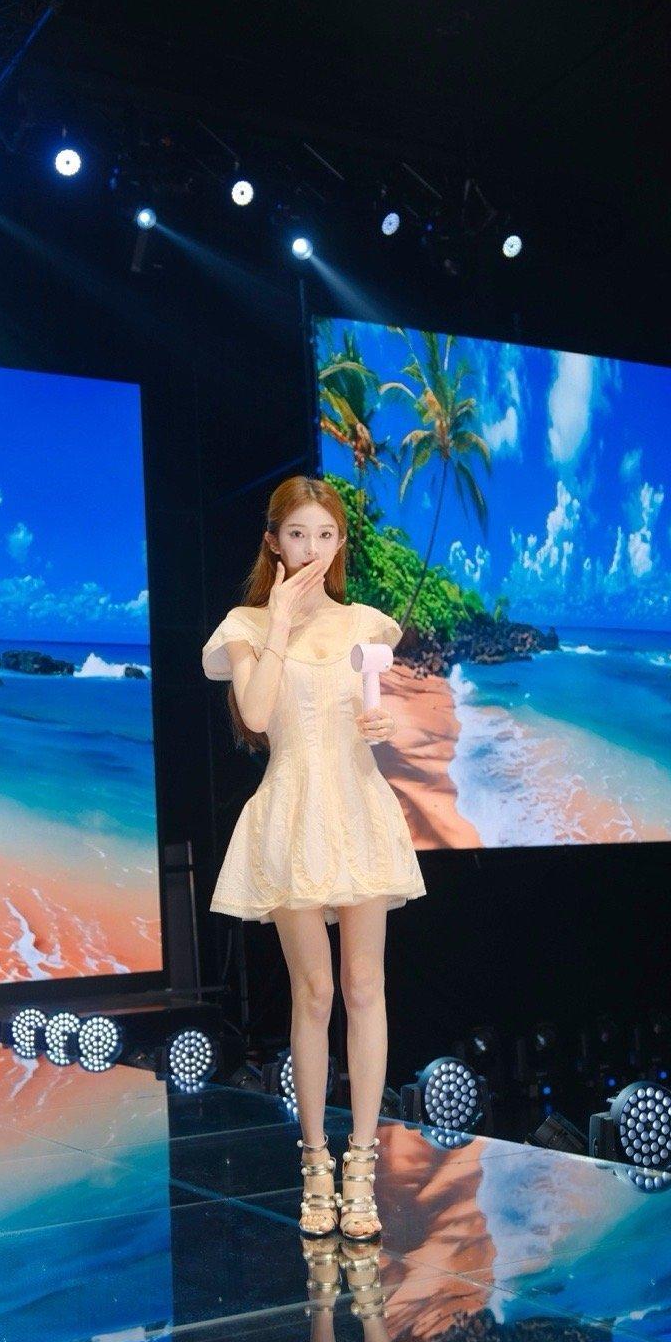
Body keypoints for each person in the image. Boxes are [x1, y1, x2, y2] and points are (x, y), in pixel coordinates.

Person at [201, 475, 426, 1242]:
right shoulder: (244, 626)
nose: (311, 548)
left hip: (358, 806)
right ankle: (316, 1162)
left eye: (325, 535)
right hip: (292, 809)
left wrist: (384, 727)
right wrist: (280, 619)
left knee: (365, 986)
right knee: (314, 992)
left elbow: (377, 713)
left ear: (339, 543)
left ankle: (362, 1165)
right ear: (273, 541)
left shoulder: (365, 624)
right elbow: (258, 712)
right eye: (297, 534)